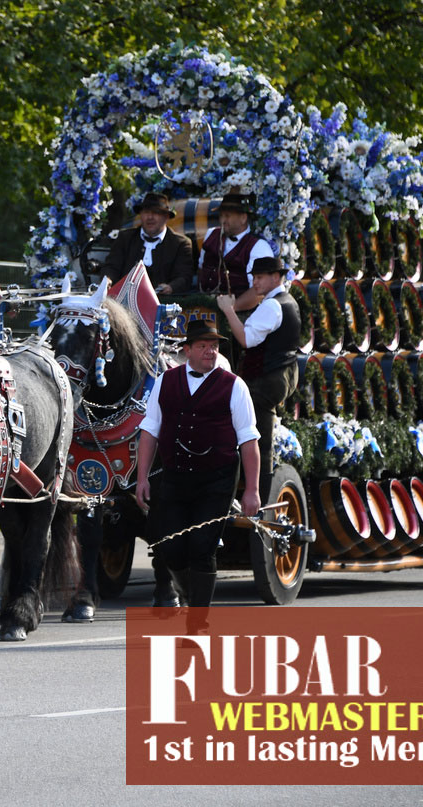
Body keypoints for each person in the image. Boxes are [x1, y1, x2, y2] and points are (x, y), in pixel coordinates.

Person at [135, 319, 260, 624]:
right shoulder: (166, 381)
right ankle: (194, 598)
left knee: (202, 547)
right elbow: (150, 432)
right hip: (175, 478)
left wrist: (251, 490)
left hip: (216, 478)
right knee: (171, 548)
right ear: (186, 350)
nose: (210, 351)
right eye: (203, 346)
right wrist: (141, 479)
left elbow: (248, 439)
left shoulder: (234, 385)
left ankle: (197, 621)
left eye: (214, 346)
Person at [216, 256, 301, 500]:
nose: (255, 282)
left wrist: (228, 310)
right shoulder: (286, 302)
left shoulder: (273, 305)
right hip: (278, 376)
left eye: (260, 277)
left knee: (256, 443)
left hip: (266, 382)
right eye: (254, 277)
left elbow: (245, 339)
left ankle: (257, 501)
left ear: (276, 277)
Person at [101, 192, 194, 295]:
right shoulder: (125, 238)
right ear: (140, 215)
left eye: (156, 212)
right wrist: (108, 280)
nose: (150, 217)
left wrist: (171, 287)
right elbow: (111, 267)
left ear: (166, 217)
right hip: (124, 300)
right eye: (146, 212)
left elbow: (184, 277)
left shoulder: (180, 243)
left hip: (164, 302)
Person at [197, 192, 274, 296]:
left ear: (243, 218)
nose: (222, 220)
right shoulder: (211, 233)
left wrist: (232, 309)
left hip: (238, 309)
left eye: (227, 216)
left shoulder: (258, 246)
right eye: (221, 216)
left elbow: (257, 293)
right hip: (204, 304)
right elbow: (201, 268)